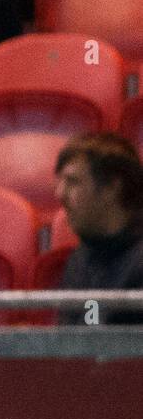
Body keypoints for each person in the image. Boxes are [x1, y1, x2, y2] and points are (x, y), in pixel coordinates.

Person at [54, 132, 143, 325]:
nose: (60, 193)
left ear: (112, 188)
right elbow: (79, 339)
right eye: (60, 181)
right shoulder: (80, 259)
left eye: (73, 181)